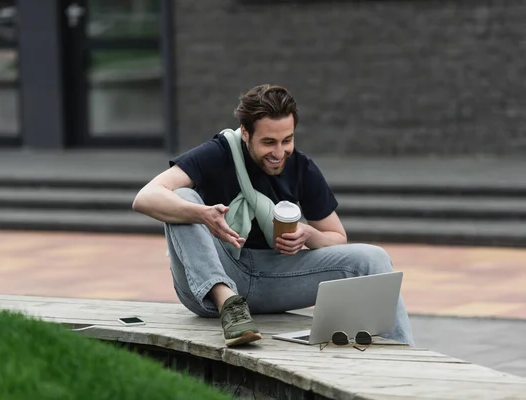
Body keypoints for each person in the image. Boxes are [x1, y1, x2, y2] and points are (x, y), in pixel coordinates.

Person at [132, 84, 415, 347]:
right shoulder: (217, 153)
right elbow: (145, 197)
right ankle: (229, 305)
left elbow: (337, 237)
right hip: (212, 279)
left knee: (374, 258)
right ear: (246, 133)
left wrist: (309, 234)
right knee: (181, 198)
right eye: (268, 142)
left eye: (287, 140)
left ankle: (405, 358)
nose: (279, 153)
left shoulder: (302, 168)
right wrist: (203, 214)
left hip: (275, 275)